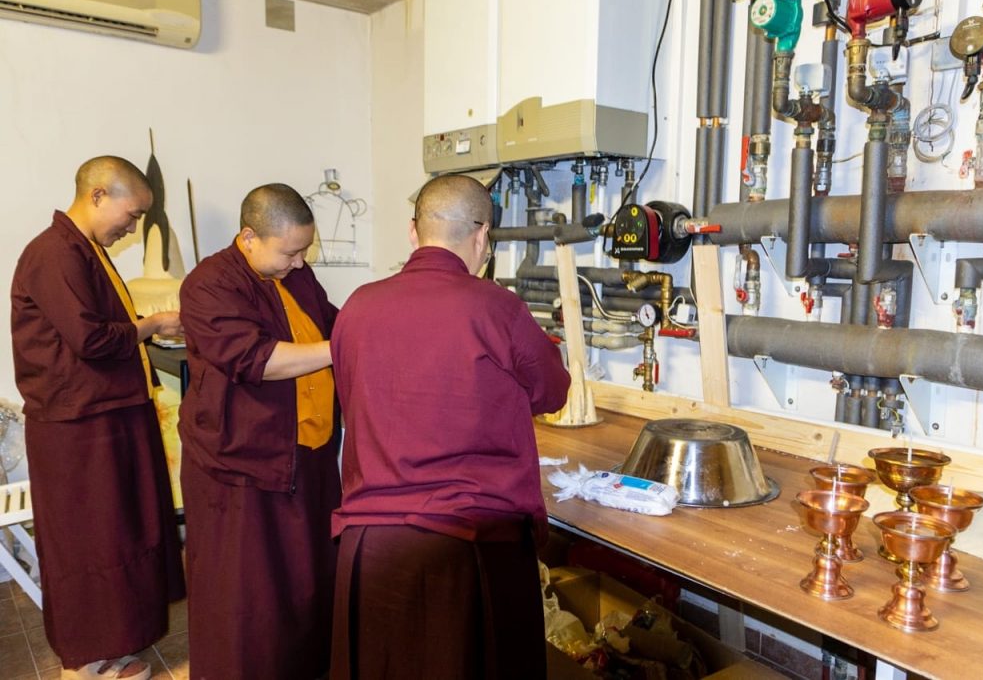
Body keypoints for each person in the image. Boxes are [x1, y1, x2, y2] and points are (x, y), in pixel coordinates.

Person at [329, 174, 571, 680]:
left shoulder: (357, 306)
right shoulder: (496, 307)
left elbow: (357, 398)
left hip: (370, 544)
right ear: (483, 236)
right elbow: (553, 392)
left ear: (413, 232)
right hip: (467, 543)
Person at [11, 155, 186, 680]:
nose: (133, 228)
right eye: (132, 215)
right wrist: (153, 323)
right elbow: (88, 338)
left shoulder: (85, 250)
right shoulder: (53, 253)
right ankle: (85, 659)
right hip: (76, 424)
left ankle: (114, 643)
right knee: (88, 542)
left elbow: (101, 327)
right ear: (98, 196)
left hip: (106, 413)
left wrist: (147, 325)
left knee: (119, 535)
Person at [177, 183, 340, 680]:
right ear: (249, 238)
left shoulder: (295, 274)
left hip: (307, 455)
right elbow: (257, 359)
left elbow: (329, 322)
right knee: (247, 592)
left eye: (305, 251)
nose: (300, 262)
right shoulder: (210, 284)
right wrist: (345, 347)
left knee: (307, 580)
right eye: (290, 252)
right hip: (243, 463)